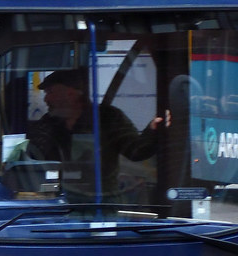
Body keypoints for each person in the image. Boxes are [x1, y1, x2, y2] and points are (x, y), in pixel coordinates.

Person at [25, 68, 169, 199]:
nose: (46, 99)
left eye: (50, 92)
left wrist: (153, 130)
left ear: (69, 93)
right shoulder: (48, 123)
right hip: (59, 202)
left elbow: (135, 151)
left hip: (102, 203)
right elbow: (32, 156)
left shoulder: (108, 117)